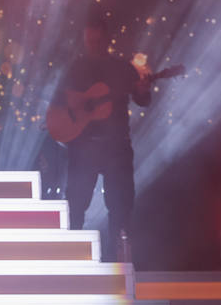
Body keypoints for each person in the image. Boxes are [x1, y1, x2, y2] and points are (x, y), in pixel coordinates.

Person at [57, 16, 152, 263]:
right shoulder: (75, 67)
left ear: (106, 39)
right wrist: (70, 120)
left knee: (120, 206)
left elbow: (143, 99)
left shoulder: (123, 69)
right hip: (83, 146)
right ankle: (71, 257)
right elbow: (59, 102)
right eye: (89, 40)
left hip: (116, 147)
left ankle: (116, 260)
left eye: (97, 40)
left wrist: (143, 91)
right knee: (76, 205)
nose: (93, 44)